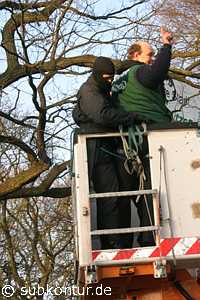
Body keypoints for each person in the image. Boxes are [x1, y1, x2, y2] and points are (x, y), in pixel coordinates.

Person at [112, 27, 174, 248]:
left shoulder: (119, 81)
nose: (152, 59)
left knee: (134, 190)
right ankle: (149, 238)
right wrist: (167, 46)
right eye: (150, 55)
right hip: (149, 136)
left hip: (127, 142)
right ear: (135, 56)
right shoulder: (139, 73)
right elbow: (157, 73)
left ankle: (124, 241)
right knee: (153, 187)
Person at [72, 56, 140, 250]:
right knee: (109, 195)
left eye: (112, 78)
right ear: (98, 74)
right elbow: (102, 115)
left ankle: (124, 240)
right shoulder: (89, 91)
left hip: (107, 147)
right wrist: (130, 118)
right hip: (97, 149)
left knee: (122, 193)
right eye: (107, 77)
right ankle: (112, 242)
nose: (110, 81)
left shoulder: (100, 89)